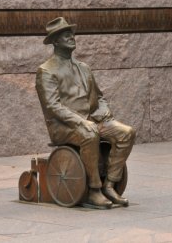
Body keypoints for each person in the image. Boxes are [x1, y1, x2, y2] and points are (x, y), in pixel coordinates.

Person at [35, 17, 136, 209]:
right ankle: (94, 190)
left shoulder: (84, 68)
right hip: (64, 126)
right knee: (90, 134)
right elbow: (52, 106)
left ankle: (110, 184)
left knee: (127, 132)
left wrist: (105, 112)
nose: (72, 37)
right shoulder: (46, 71)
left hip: (93, 120)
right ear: (55, 41)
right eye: (66, 35)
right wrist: (81, 122)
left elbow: (99, 97)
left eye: (72, 34)